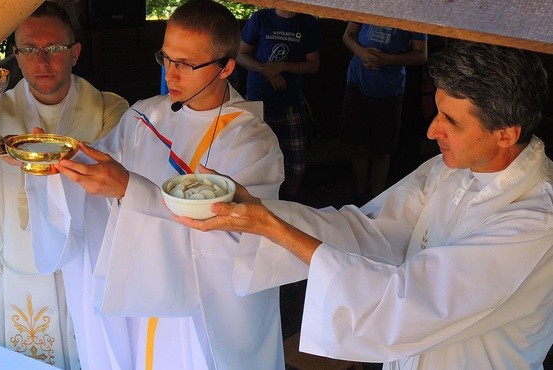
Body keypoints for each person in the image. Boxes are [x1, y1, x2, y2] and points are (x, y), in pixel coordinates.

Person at [175, 41, 553, 369]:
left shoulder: (536, 220)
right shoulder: (449, 170)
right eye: (437, 111)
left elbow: (410, 303)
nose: (431, 130)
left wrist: (273, 229)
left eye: (450, 121)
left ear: (506, 134)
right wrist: (263, 212)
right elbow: (370, 231)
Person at [25, 0, 285, 369]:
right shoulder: (145, 115)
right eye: (165, 58)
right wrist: (54, 159)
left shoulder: (252, 142)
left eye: (186, 64)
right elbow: (101, 167)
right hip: (139, 289)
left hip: (200, 314)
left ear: (226, 66)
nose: (171, 75)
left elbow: (238, 238)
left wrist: (129, 190)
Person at [0, 2, 128, 369]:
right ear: (16, 57)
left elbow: (118, 179)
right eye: (29, 49)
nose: (42, 61)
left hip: (82, 268)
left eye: (54, 48)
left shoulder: (108, 109)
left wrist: (46, 164)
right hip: (15, 267)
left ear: (74, 53)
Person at [237, 8, 321, 199]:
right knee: (254, 157)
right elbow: (241, 55)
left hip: (291, 101)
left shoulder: (308, 22)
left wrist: (282, 66)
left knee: (296, 163)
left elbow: (313, 64)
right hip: (258, 101)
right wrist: (266, 70)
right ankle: (259, 201)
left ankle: (290, 198)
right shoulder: (260, 18)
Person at [341, 22, 427, 203]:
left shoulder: (413, 10)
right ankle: (359, 195)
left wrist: (388, 59)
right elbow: (347, 36)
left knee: (382, 150)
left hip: (389, 90)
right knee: (359, 146)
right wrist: (362, 53)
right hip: (357, 84)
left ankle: (375, 200)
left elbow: (421, 55)